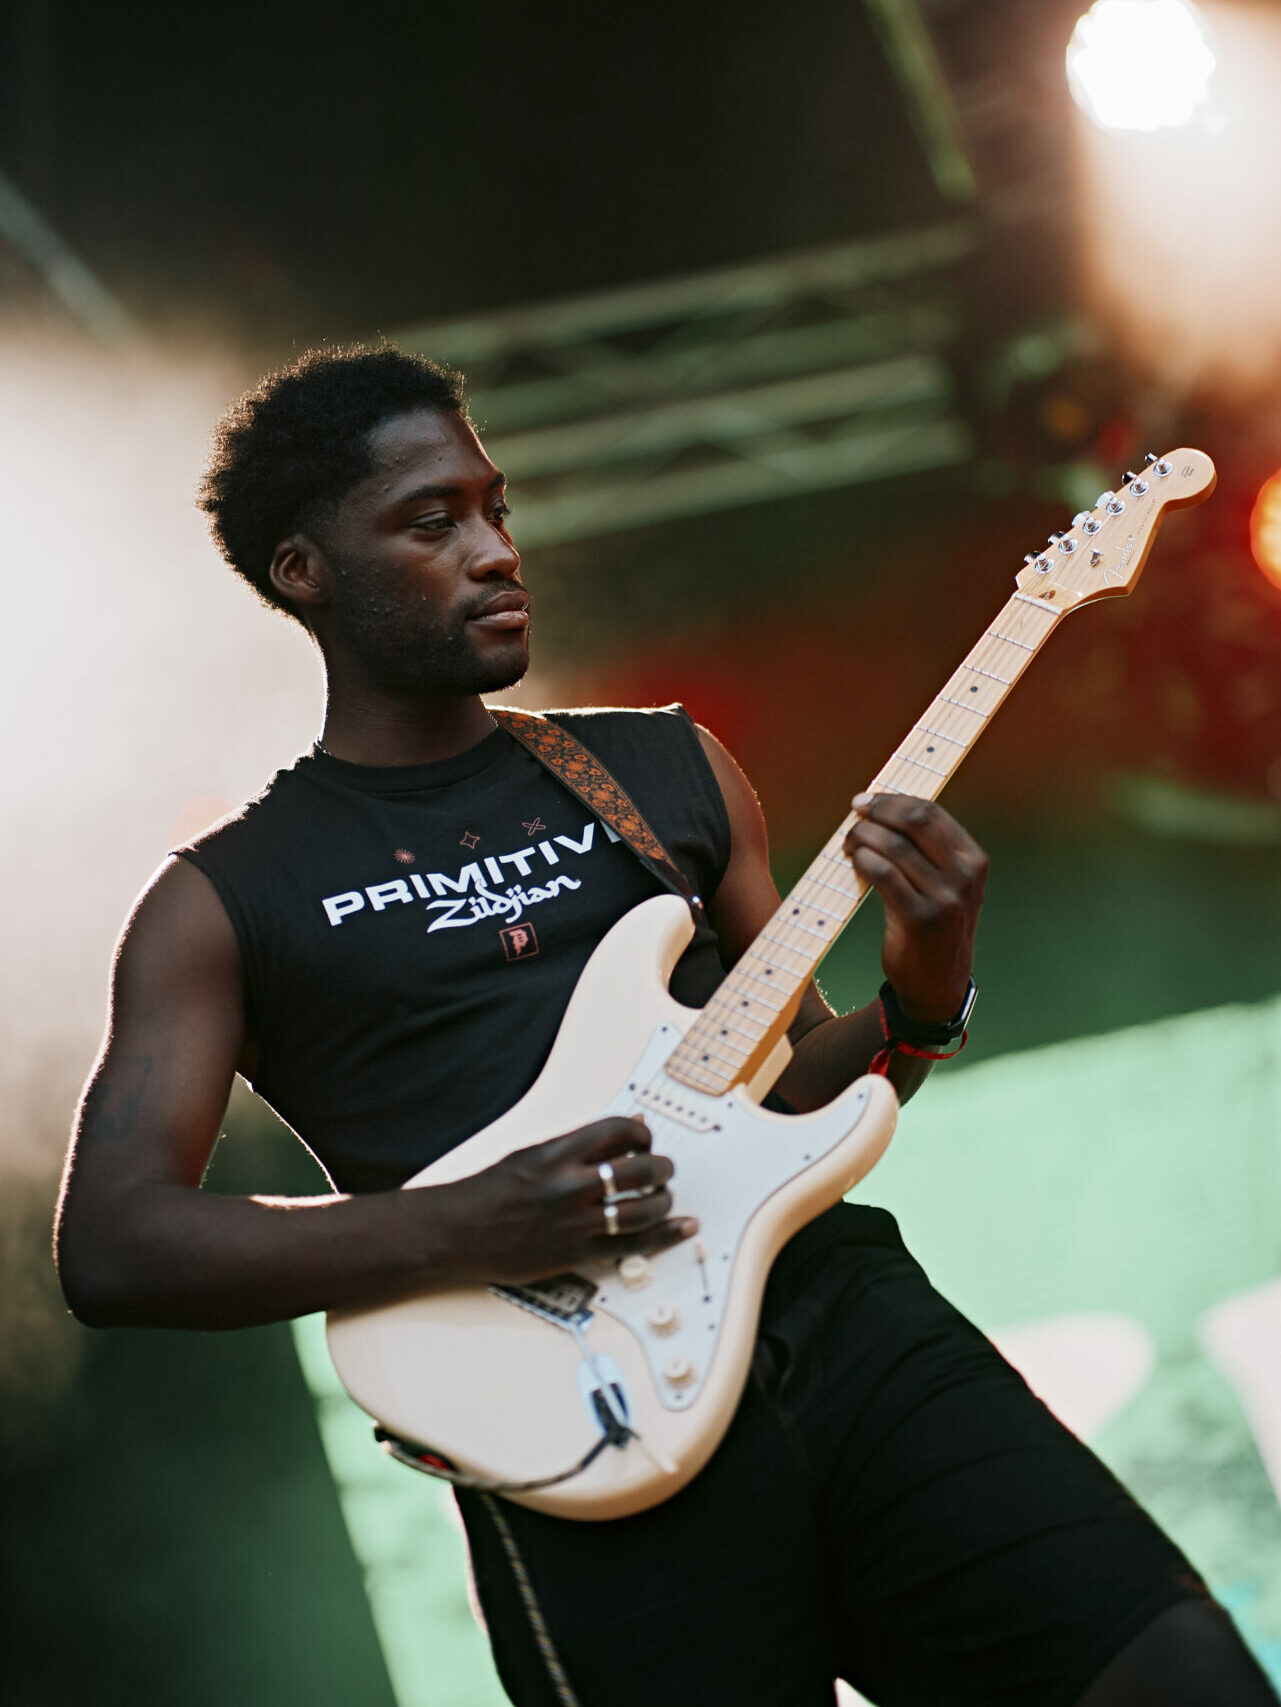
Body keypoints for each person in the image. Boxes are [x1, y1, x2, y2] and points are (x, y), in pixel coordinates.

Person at [55, 348, 1276, 1707]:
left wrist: (924, 988)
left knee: (1184, 1680)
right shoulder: (225, 900)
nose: (493, 550)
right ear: (304, 572)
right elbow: (116, 1244)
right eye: (430, 522)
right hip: (582, 1419)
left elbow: (795, 1092)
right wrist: (473, 1225)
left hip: (844, 1329)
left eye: (495, 508)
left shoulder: (658, 766)